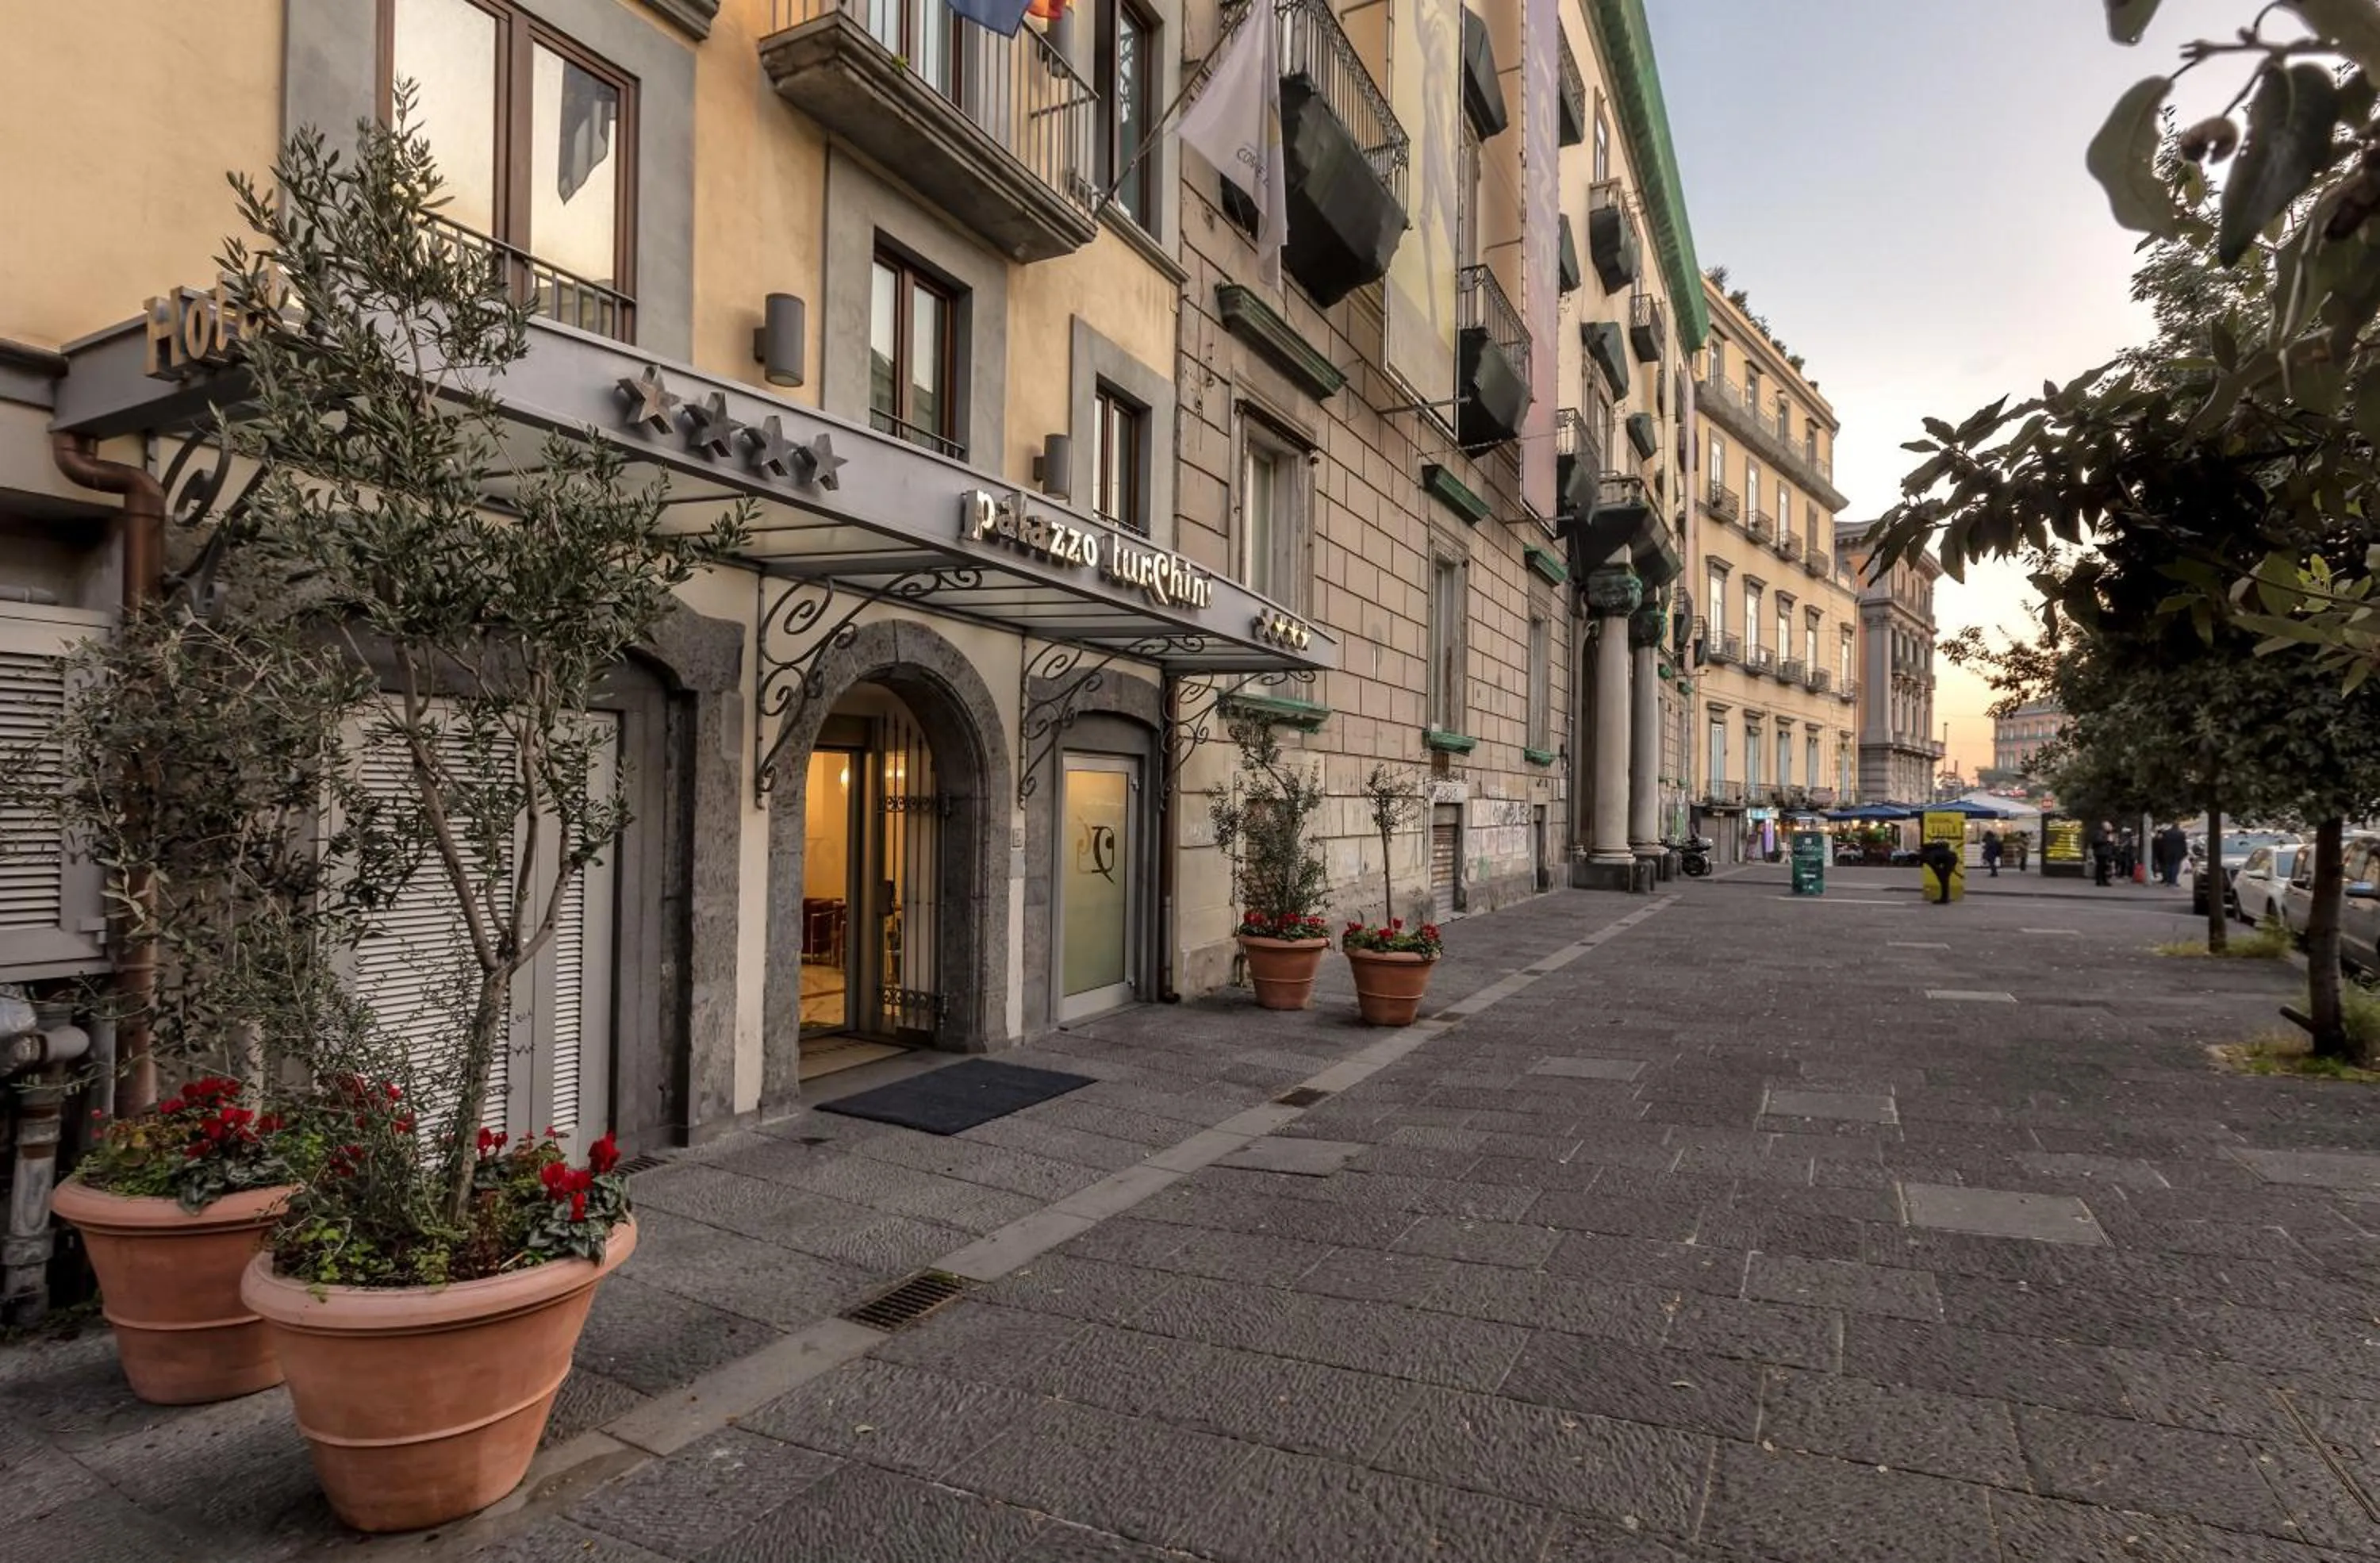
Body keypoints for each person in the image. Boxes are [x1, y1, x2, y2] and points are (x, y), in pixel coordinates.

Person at [1921, 837, 1960, 904]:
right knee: (1945, 879)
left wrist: (1939, 871)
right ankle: (1945, 898)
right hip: (1952, 858)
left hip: (1949, 860)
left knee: (1943, 879)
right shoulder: (1935, 849)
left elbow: (1934, 865)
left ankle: (1944, 899)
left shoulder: (1927, 855)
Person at [2159, 822, 2188, 886]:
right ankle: (2173, 881)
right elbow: (2184, 844)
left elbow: (2162, 844)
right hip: (2178, 853)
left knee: (2168, 866)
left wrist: (2162, 852)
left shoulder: (2166, 833)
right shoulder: (2181, 834)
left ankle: (2169, 881)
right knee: (2175, 866)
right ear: (2178, 826)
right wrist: (2185, 853)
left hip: (2167, 853)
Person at [2093, 822, 2115, 886]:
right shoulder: (2100, 832)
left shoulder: (2108, 833)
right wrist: (2107, 840)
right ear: (2105, 827)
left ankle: (2104, 880)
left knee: (2105, 867)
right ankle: (2099, 881)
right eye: (2109, 826)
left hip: (2105, 852)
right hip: (2101, 852)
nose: (2111, 827)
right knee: (2101, 867)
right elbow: (2097, 841)